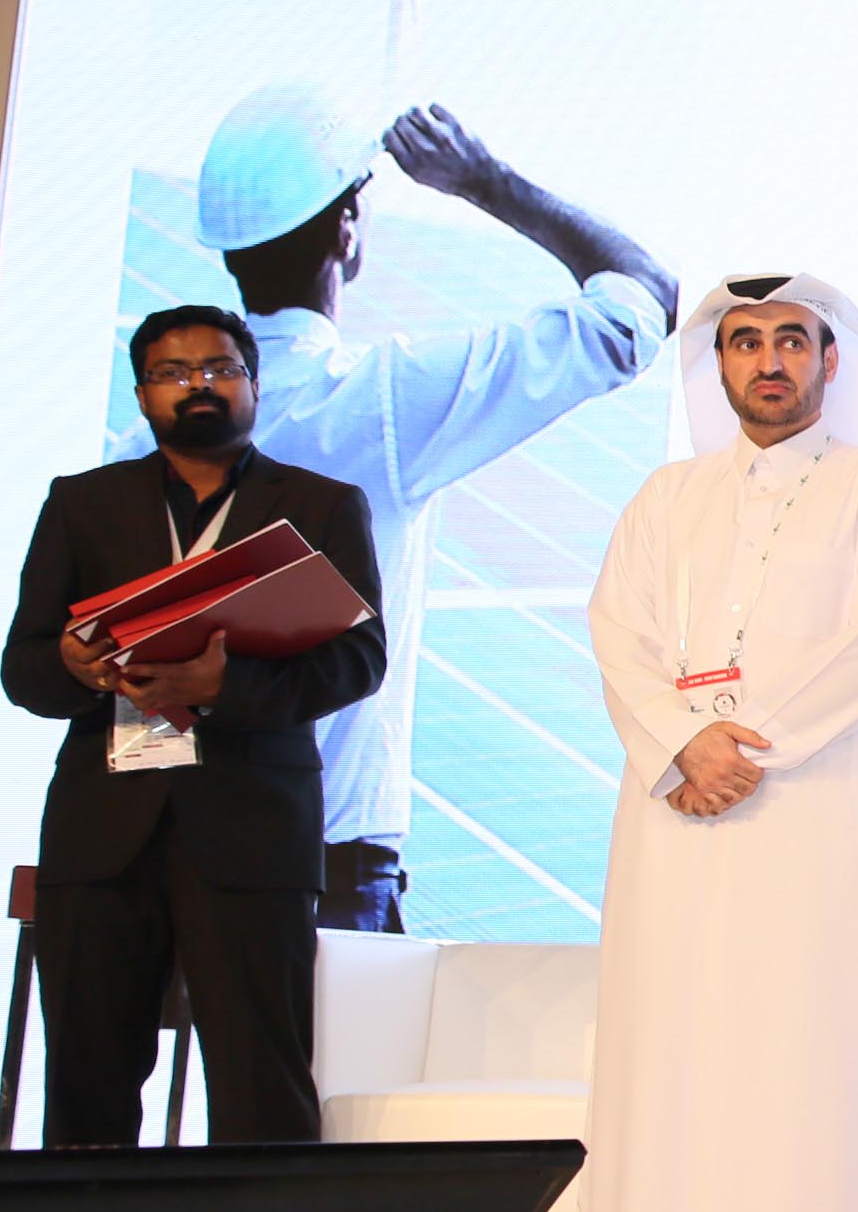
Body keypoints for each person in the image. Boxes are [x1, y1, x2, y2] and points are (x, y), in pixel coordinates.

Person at [157, 85, 676, 931]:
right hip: (325, 868)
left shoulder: (147, 447)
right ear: (347, 231)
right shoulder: (377, 406)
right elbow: (641, 302)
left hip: (181, 857)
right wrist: (484, 181)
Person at [563, 275, 858, 1212]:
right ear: (715, 363)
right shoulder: (665, 496)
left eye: (789, 340)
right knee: (660, 1068)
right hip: (672, 811)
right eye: (743, 342)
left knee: (796, 1069)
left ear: (831, 359)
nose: (767, 361)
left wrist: (743, 746)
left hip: (812, 815)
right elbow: (619, 633)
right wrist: (685, 744)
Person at [0, 306, 388, 1144]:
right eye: (173, 374)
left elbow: (360, 661)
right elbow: (22, 668)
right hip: (103, 830)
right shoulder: (82, 504)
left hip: (253, 829)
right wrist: (72, 668)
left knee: (260, 1082)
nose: (198, 386)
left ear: (254, 384)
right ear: (143, 396)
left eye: (219, 369)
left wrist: (228, 685)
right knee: (87, 1081)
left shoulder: (320, 505)